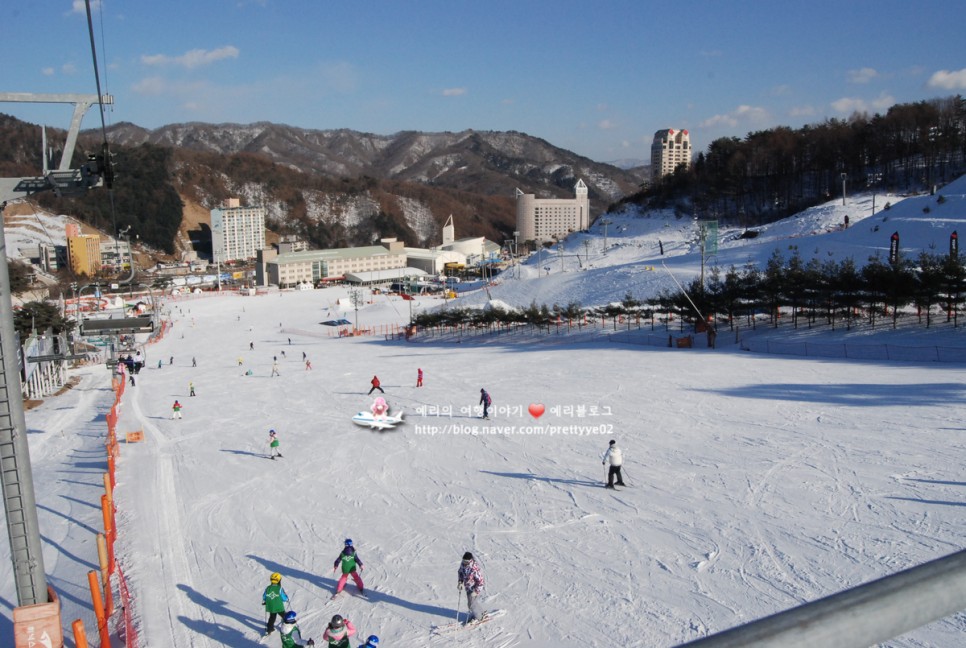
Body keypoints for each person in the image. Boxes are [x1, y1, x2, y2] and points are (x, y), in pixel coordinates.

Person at [457, 552, 486, 623]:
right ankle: (480, 612)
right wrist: (460, 582)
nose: (464, 563)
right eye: (463, 561)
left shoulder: (474, 569)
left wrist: (476, 591)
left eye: (465, 562)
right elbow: (460, 572)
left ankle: (479, 617)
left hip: (474, 589)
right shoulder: (463, 565)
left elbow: (481, 582)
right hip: (468, 587)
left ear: (470, 561)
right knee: (472, 603)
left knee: (471, 604)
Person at [262, 572, 290, 636]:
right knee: (284, 616)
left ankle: (269, 629)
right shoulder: (279, 588)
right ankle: (288, 626)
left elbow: (264, 596)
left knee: (272, 617)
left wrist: (265, 601)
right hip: (279, 606)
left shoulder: (268, 588)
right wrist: (286, 599)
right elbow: (283, 597)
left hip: (271, 606)